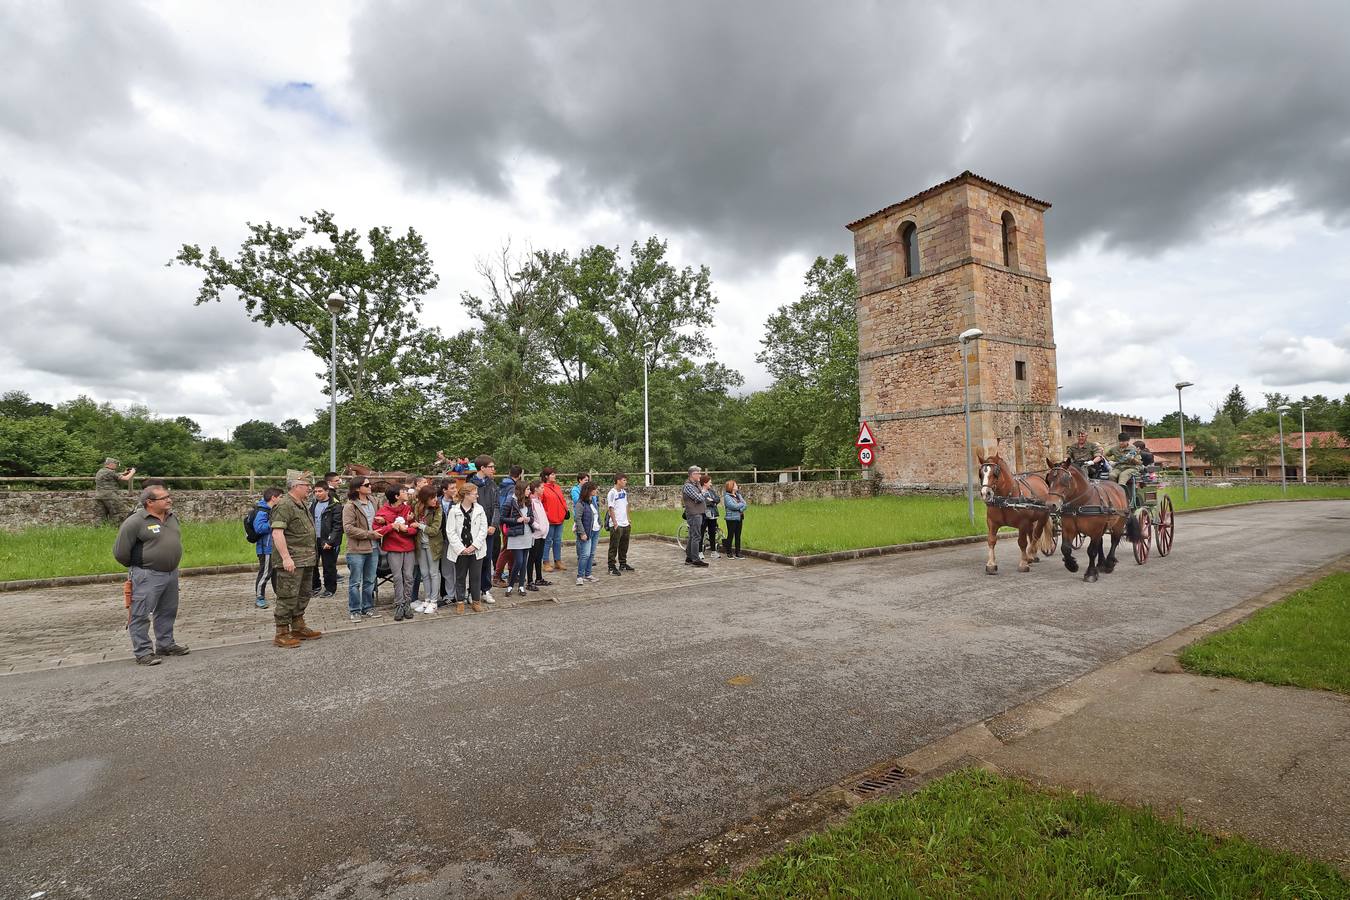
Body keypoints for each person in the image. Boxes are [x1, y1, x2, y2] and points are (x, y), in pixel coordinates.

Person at [113, 484, 187, 665]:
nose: (169, 500)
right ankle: (143, 652)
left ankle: (166, 644)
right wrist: (140, 567)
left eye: (169, 496)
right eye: (164, 498)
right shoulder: (135, 521)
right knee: (140, 614)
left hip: (170, 573)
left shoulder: (172, 518)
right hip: (147, 574)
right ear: (150, 502)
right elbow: (120, 552)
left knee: (167, 611)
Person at [268, 471, 323, 649]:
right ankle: (282, 633)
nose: (310, 489)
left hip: (306, 559)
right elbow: (277, 533)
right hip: (292, 560)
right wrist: (286, 558)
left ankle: (298, 625)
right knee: (287, 596)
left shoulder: (301, 504)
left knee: (304, 593)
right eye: (307, 486)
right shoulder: (284, 505)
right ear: (296, 486)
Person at [374, 484, 419, 621]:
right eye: (403, 491)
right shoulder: (383, 511)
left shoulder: (408, 509)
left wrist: (406, 530)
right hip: (393, 548)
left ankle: (407, 603)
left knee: (409, 576)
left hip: (408, 547)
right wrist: (391, 526)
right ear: (396, 496)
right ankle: (399, 604)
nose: (406, 492)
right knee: (398, 577)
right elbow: (377, 531)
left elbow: (415, 529)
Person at [342, 476, 382, 623]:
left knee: (370, 580)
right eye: (367, 484)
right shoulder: (350, 506)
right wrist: (369, 534)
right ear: (358, 488)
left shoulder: (374, 501)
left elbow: (381, 518)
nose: (370, 486)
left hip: (374, 548)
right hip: (357, 550)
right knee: (355, 582)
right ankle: (354, 610)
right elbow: (348, 528)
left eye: (370, 484)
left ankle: (368, 607)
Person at [446, 481, 487, 613]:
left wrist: (474, 546)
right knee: (460, 576)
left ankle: (476, 601)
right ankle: (460, 602)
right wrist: (461, 548)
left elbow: (483, 529)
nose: (477, 496)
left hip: (476, 550)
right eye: (475, 494)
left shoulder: (480, 510)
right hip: (461, 551)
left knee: (475, 577)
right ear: (466, 495)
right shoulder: (454, 511)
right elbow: (450, 531)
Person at [470, 456, 499, 603]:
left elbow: (496, 506)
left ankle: (485, 589)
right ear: (482, 468)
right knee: (474, 560)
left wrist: (493, 524)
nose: (494, 469)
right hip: (475, 530)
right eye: (491, 466)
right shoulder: (470, 485)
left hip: (490, 530)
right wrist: (481, 527)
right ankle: (472, 591)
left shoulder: (492, 484)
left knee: (487, 559)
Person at [411, 484, 443, 615]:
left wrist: (419, 526)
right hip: (420, 545)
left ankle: (434, 601)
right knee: (424, 573)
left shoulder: (437, 509)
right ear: (424, 499)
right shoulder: (418, 507)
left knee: (433, 573)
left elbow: (434, 530)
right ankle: (427, 599)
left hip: (432, 545)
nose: (435, 500)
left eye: (435, 497)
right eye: (432, 498)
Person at [308, 482, 343, 598]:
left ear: (327, 491)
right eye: (315, 492)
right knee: (312, 565)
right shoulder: (313, 504)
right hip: (314, 540)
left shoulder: (335, 506)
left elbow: (337, 526)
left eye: (320, 491)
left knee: (329, 566)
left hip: (327, 540)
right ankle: (315, 586)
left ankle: (330, 589)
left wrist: (330, 541)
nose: (317, 494)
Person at [493, 464, 523, 588]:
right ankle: (497, 576)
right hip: (508, 521)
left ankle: (512, 573)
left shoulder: (502, 484)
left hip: (503, 519)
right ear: (520, 474)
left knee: (511, 547)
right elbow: (507, 505)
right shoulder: (512, 488)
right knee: (507, 548)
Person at [251, 487, 282, 609]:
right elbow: (259, 528)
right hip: (266, 549)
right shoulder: (262, 511)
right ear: (273, 498)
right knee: (265, 573)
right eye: (280, 497)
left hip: (274, 548)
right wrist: (274, 523)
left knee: (276, 574)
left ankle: (280, 595)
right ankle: (259, 597)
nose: (281, 499)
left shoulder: (271, 510)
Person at [501, 479, 533, 596]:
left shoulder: (528, 501)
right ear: (522, 489)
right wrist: (516, 520)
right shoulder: (511, 500)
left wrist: (529, 519)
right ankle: (510, 585)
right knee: (518, 561)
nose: (530, 491)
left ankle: (521, 586)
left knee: (524, 562)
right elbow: (502, 517)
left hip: (527, 533)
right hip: (516, 535)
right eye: (528, 489)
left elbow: (532, 517)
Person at [539, 467, 569, 573]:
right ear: (546, 476)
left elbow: (562, 500)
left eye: (554, 474)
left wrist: (564, 511)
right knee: (547, 541)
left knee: (557, 541)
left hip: (559, 519)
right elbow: (540, 504)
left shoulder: (557, 487)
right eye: (552, 474)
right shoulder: (542, 488)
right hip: (549, 520)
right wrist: (546, 515)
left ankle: (558, 560)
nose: (554, 476)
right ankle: (545, 562)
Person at [606, 474, 634, 576]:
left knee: (624, 545)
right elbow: (611, 508)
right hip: (617, 524)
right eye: (624, 480)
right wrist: (614, 523)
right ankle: (611, 567)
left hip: (625, 523)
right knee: (614, 546)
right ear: (618, 481)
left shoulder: (623, 492)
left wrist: (628, 518)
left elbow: (626, 505)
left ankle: (623, 563)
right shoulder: (612, 493)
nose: (625, 482)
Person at [1105, 432, 1143, 506]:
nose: (1121, 443)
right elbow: (1105, 455)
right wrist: (1110, 461)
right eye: (1120, 441)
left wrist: (1132, 459)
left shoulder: (1133, 449)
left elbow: (1139, 462)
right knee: (1111, 475)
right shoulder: (1114, 449)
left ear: (1127, 441)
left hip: (1131, 467)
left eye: (1123, 441)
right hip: (1119, 467)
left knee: (1123, 476)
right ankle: (1113, 494)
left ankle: (1124, 497)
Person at [94, 457, 136, 524]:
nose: (116, 466)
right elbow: (126, 478)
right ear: (111, 464)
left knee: (101, 515)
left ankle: (101, 528)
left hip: (99, 495)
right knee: (117, 512)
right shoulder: (111, 472)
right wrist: (132, 472)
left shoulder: (101, 471)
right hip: (109, 496)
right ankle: (116, 527)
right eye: (115, 464)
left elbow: (113, 475)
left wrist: (124, 473)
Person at [681, 467, 709, 567]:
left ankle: (689, 558)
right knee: (696, 536)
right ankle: (695, 559)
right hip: (694, 514)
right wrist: (704, 491)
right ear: (692, 474)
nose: (700, 476)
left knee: (693, 536)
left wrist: (702, 494)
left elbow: (700, 498)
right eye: (698, 473)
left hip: (698, 513)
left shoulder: (696, 485)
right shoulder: (688, 486)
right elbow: (700, 497)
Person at [526, 479, 550, 591]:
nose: (543, 489)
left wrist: (545, 527)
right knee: (532, 558)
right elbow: (531, 517)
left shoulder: (538, 500)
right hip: (535, 534)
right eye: (541, 487)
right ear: (535, 489)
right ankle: (529, 580)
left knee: (539, 557)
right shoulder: (531, 501)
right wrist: (538, 526)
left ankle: (539, 578)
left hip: (542, 534)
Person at [574, 482, 598, 585]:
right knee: (585, 554)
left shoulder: (593, 501)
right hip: (586, 532)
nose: (596, 491)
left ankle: (588, 574)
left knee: (591, 554)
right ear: (589, 491)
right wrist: (582, 533)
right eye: (594, 489)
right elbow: (577, 518)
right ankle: (580, 576)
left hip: (595, 531)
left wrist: (599, 524)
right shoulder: (581, 503)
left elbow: (596, 514)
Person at [437, 477, 457, 605]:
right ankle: (449, 594)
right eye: (452, 488)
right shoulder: (437, 503)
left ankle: (459, 593)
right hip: (442, 540)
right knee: (446, 569)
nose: (455, 490)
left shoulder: (458, 503)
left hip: (456, 541)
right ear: (444, 490)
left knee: (459, 569)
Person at [722, 480, 747, 559]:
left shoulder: (738, 495)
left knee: (738, 536)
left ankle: (738, 552)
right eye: (735, 485)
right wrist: (741, 505)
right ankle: (729, 552)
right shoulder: (727, 497)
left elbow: (745, 505)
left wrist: (740, 509)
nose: (737, 486)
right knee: (730, 535)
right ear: (731, 487)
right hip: (731, 519)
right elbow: (732, 506)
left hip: (739, 517)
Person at [701, 474, 721, 560]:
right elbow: (704, 502)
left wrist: (712, 500)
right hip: (704, 515)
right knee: (701, 533)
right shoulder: (700, 491)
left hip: (713, 515)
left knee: (712, 533)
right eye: (710, 482)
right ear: (705, 483)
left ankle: (713, 551)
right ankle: (699, 552)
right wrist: (712, 502)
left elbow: (718, 499)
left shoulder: (711, 491)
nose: (711, 483)